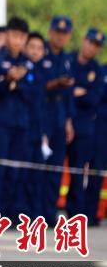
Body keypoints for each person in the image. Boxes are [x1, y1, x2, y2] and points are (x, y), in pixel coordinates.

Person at [0, 17, 37, 223]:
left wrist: (18, 83)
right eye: (14, 35)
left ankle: (10, 215)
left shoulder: (27, 62)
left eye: (22, 37)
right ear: (7, 36)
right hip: (0, 123)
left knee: (16, 171)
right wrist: (7, 80)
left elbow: (34, 92)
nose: (18, 40)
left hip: (21, 124)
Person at [38, 15, 76, 222]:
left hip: (60, 113)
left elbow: (69, 93)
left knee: (56, 166)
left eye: (65, 34)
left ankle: (50, 211)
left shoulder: (67, 58)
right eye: (57, 32)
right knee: (39, 165)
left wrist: (69, 120)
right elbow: (38, 86)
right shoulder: (41, 53)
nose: (60, 37)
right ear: (51, 32)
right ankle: (36, 210)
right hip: (44, 111)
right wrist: (55, 83)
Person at [65, 28, 104, 218]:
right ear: (83, 40)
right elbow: (65, 92)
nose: (92, 47)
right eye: (90, 42)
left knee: (79, 171)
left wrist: (77, 92)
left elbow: (94, 98)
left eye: (97, 45)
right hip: (62, 121)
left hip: (84, 127)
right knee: (53, 170)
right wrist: (77, 92)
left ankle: (77, 213)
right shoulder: (68, 60)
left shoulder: (96, 69)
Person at [19, 31, 49, 219]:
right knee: (21, 174)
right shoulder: (21, 68)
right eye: (32, 47)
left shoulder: (44, 71)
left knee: (38, 175)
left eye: (39, 48)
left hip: (38, 129)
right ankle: (20, 213)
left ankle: (35, 214)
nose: (36, 51)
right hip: (22, 128)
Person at [85, 60, 107, 225]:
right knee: (96, 171)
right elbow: (94, 97)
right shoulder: (101, 70)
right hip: (101, 127)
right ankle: (91, 213)